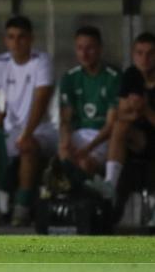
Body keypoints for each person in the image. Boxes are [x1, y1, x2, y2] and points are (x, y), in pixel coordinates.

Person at [0, 16, 56, 227]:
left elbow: (41, 100)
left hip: (42, 130)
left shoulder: (41, 61)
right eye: (11, 37)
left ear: (31, 39)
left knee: (27, 146)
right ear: (5, 40)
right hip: (12, 131)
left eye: (21, 37)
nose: (16, 42)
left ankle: (22, 207)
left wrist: (27, 134)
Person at [88, 32, 155, 223]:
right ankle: (110, 184)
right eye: (140, 53)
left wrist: (145, 109)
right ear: (133, 55)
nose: (145, 59)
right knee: (120, 125)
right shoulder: (131, 75)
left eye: (150, 54)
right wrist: (134, 112)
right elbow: (121, 113)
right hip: (140, 139)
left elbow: (135, 108)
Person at [55, 26, 120, 183]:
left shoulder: (114, 77)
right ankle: (66, 195)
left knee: (84, 164)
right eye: (80, 48)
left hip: (102, 137)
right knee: (64, 155)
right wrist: (66, 140)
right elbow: (65, 120)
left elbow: (111, 124)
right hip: (78, 134)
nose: (84, 54)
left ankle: (92, 196)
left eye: (89, 48)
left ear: (100, 49)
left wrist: (88, 148)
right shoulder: (70, 78)